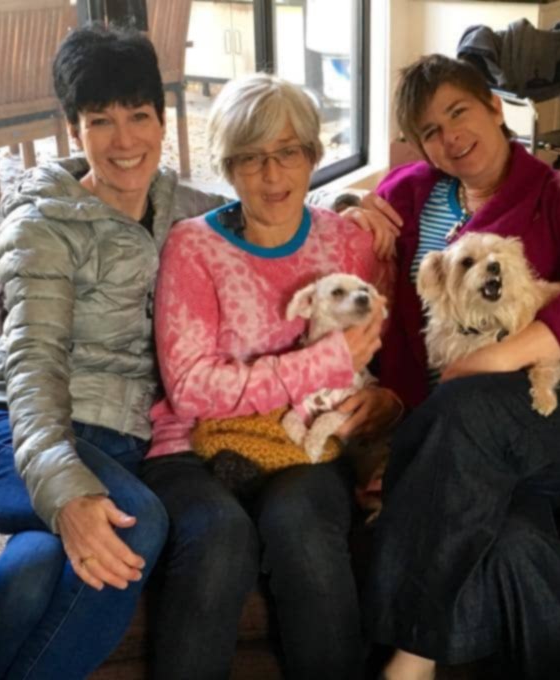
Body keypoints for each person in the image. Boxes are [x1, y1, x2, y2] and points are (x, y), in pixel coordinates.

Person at [0, 25, 225, 679]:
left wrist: (349, 204)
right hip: (12, 431)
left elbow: (264, 214)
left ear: (162, 119)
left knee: (31, 570)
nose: (124, 141)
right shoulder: (42, 225)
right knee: (134, 520)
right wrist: (66, 494)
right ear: (73, 128)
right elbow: (33, 363)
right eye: (100, 121)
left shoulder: (184, 207)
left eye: (139, 116)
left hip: (114, 439)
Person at [353, 54, 560, 679]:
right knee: (512, 541)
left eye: (459, 112)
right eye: (430, 130)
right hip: (463, 446)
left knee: (462, 404)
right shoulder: (408, 195)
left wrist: (502, 355)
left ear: (494, 107)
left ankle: (411, 658)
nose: (450, 136)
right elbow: (344, 225)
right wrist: (356, 208)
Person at [139, 72, 393, 680]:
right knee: (219, 541)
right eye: (252, 159)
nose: (273, 175)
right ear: (228, 166)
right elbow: (193, 388)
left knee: (304, 531)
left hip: (303, 447)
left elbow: (379, 357)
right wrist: (323, 364)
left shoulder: (348, 243)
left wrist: (387, 400)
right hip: (192, 448)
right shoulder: (193, 247)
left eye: (288, 153)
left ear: (312, 156)